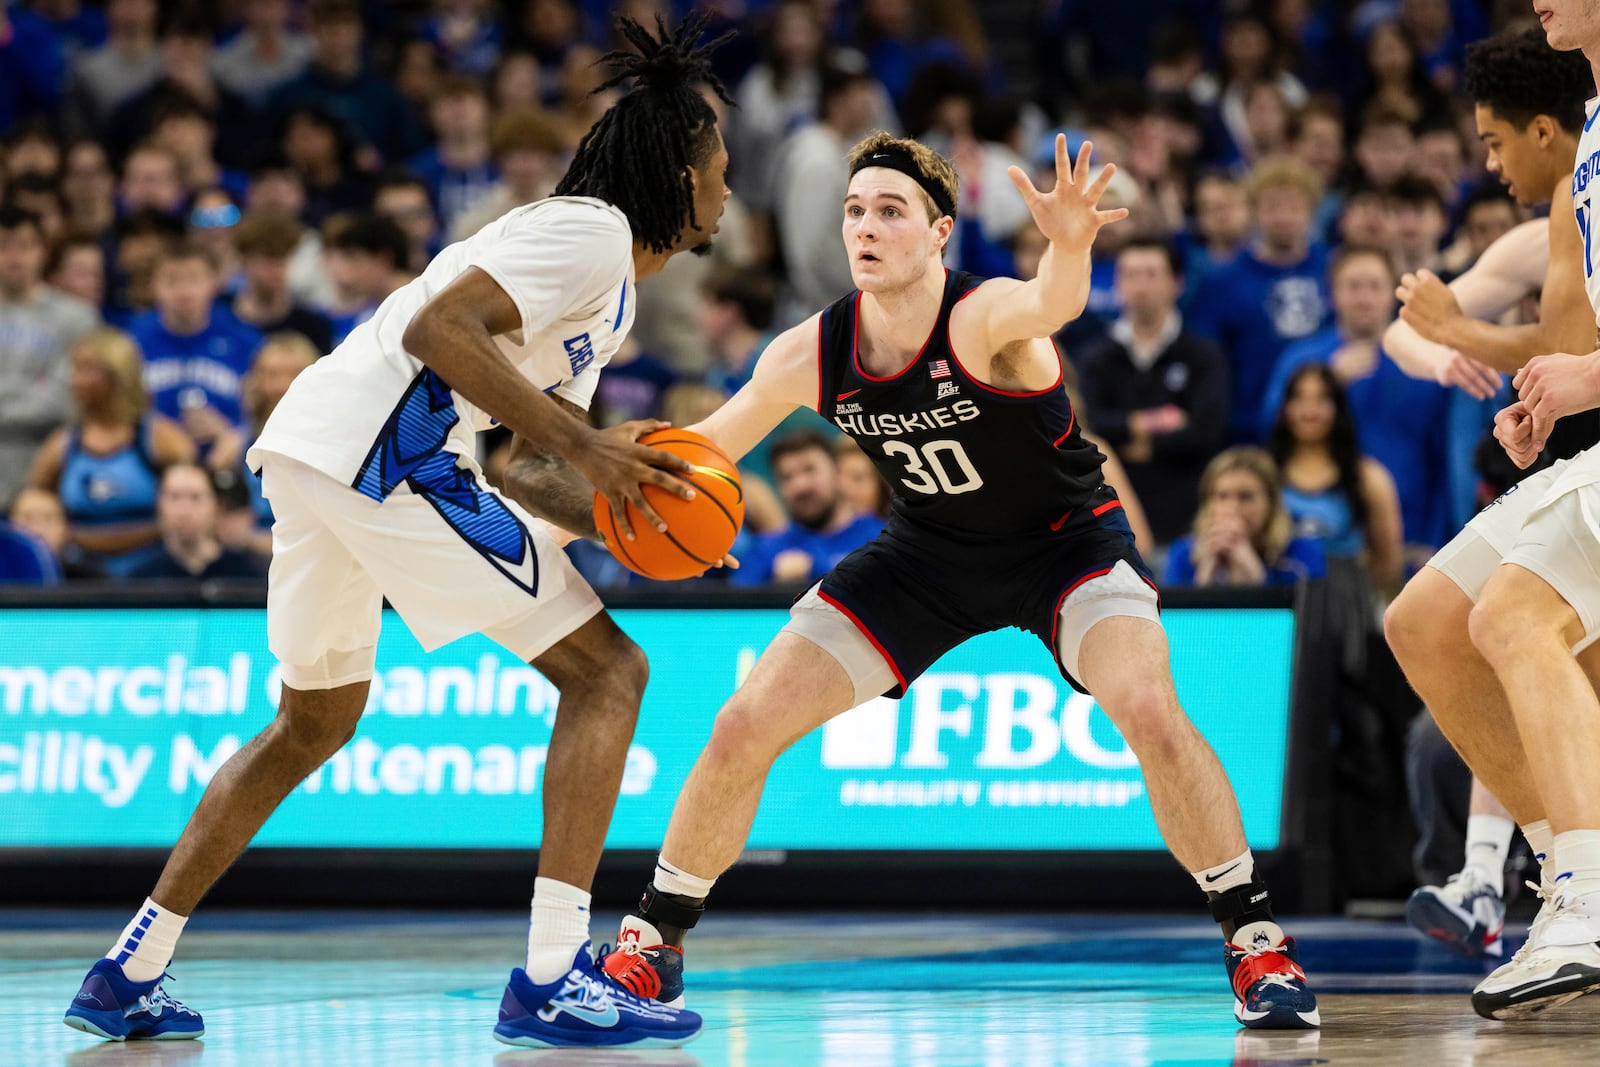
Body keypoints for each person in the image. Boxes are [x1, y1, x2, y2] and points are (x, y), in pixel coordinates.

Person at [61, 14, 730, 1049]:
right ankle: (553, 972)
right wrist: (591, 447)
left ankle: (128, 967)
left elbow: (525, 461)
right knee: (610, 672)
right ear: (680, 172)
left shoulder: (610, 288)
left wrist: (625, 508)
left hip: (324, 448)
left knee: (313, 720)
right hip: (391, 454)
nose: (730, 180)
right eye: (720, 158)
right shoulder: (588, 231)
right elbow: (437, 330)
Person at [598, 132, 1320, 1030]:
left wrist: (1070, 244)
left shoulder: (983, 320)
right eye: (855, 210)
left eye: (891, 211)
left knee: (1149, 709)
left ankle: (1256, 942)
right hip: (927, 555)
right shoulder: (812, 350)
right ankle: (651, 938)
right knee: (745, 720)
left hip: (1067, 546)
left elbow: (1052, 300)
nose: (866, 226)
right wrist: (600, 491)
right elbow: (705, 454)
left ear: (941, 231)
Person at [1384, 2, 1600, 1020]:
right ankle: (1570, 876)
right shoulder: (1590, 142)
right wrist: (1550, 388)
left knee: (1514, 614)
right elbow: (1561, 335)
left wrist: (1567, 369)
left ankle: (1577, 900)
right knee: (1423, 620)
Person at [1077, 237, 1229, 545]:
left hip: (1189, 519)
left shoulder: (1203, 355)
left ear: (1177, 283)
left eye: (1151, 274)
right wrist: (1150, 423)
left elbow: (1206, 430)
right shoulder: (1095, 357)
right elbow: (1090, 425)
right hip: (1113, 523)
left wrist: (1143, 445)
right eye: (1130, 275)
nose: (1140, 286)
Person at [27, 327, 195, 577]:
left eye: (85, 369)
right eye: (74, 369)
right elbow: (32, 509)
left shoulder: (163, 441)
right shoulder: (62, 444)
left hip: (157, 577)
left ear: (118, 375)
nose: (74, 381)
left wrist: (83, 537)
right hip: (77, 578)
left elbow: (193, 513)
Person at [1267, 363, 1404, 588]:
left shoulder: (1369, 477)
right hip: (1278, 601)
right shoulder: (1264, 472)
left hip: (1346, 604)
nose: (1309, 410)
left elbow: (1387, 562)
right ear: (1285, 407)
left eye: (1321, 399)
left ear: (1338, 408)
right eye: (1299, 398)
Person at [0, 205, 99, 507]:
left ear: (43, 252)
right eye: (3, 246)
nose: (14, 257)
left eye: (25, 246)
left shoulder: (78, 318)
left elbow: (65, 401)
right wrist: (34, 387)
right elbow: (45, 396)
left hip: (48, 472)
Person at [731, 431, 885, 587]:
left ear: (837, 472)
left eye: (809, 469)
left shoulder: (880, 536)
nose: (800, 485)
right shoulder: (765, 550)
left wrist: (814, 568)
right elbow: (734, 602)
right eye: (787, 476)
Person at [1163, 447, 1325, 587]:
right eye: (1222, 496)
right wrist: (1206, 571)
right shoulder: (1183, 554)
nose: (1233, 508)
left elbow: (1307, 618)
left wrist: (1251, 569)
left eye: (1245, 496)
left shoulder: (1302, 553)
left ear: (1272, 503)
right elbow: (1176, 620)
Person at [125, 462, 267, 581]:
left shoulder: (249, 575)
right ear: (158, 505)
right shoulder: (141, 579)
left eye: (195, 498)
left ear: (216, 506)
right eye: (174, 497)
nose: (184, 510)